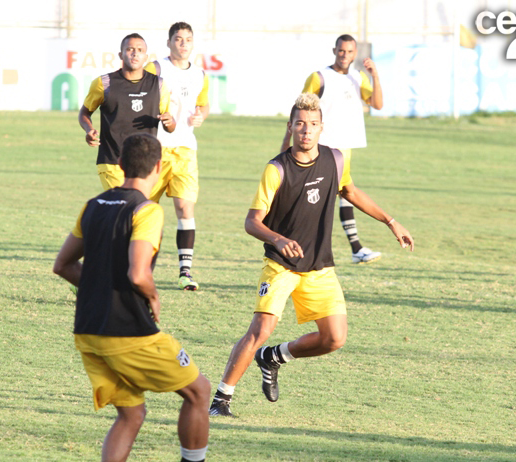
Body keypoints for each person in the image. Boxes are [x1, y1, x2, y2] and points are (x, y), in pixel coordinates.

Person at [53, 133, 244, 462]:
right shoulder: (147, 211)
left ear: (120, 164)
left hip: (89, 331)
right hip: (128, 332)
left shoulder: (92, 206)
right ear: (159, 168)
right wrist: (152, 295)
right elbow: (138, 272)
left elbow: (63, 266)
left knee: (130, 414)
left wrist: (99, 288)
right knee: (199, 391)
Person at [209, 94, 414, 417]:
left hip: (319, 267)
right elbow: (252, 222)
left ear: (322, 128)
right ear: (290, 127)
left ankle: (274, 357)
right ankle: (221, 400)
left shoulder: (334, 160)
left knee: (334, 338)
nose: (306, 131)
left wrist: (390, 221)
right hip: (281, 267)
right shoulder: (276, 169)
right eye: (300, 124)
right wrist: (278, 240)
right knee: (260, 330)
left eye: (313, 125)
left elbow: (351, 191)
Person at [281, 34, 384, 264]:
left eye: (349, 51)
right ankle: (347, 247)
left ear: (355, 53)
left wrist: (375, 75)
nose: (344, 55)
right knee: (323, 195)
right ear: (334, 50)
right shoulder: (319, 78)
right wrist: (287, 142)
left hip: (344, 148)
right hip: (322, 147)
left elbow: (377, 104)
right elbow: (299, 111)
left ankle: (352, 247)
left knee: (342, 194)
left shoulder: (359, 78)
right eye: (341, 51)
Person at [144, 22, 210, 291]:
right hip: (154, 149)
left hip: (185, 150)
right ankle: (142, 270)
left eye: (188, 39)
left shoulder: (200, 74)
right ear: (169, 42)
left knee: (185, 208)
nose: (183, 44)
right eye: (178, 39)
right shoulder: (156, 69)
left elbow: (204, 104)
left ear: (193, 44)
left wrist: (200, 116)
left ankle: (185, 272)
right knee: (147, 211)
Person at [78, 33, 176, 191]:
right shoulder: (104, 83)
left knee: (136, 211)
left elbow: (170, 126)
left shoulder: (158, 85)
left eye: (139, 50)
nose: (135, 53)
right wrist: (89, 130)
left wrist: (170, 123)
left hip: (145, 163)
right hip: (112, 161)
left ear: (146, 56)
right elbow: (84, 112)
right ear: (120, 54)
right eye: (129, 49)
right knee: (124, 206)